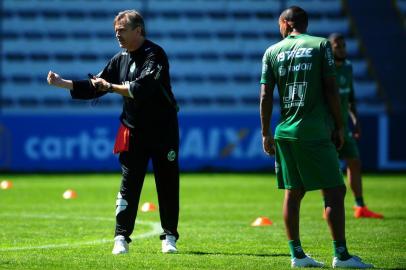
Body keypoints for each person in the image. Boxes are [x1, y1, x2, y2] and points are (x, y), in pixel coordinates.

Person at [47, 10, 180, 255]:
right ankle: (120, 237)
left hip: (163, 131)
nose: (117, 35)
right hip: (133, 132)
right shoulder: (119, 58)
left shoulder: (155, 55)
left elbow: (142, 88)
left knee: (167, 183)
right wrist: (63, 83)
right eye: (115, 31)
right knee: (128, 185)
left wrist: (110, 87)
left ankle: (169, 236)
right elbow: (97, 85)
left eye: (122, 31)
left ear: (138, 30)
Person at [260, 6, 373, 268]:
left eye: (279, 23)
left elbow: (265, 96)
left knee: (293, 193)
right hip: (313, 130)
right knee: (334, 191)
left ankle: (297, 255)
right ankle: (341, 255)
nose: (279, 27)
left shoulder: (271, 51)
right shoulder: (321, 45)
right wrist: (340, 125)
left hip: (284, 132)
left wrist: (265, 132)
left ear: (287, 23)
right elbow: (331, 89)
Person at [329, 33, 383, 219]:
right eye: (338, 46)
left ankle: (360, 206)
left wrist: (355, 121)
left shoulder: (348, 68)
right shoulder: (325, 70)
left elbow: (350, 97)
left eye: (344, 45)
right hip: (328, 127)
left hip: (344, 126)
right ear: (330, 48)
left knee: (354, 162)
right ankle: (326, 205)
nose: (342, 49)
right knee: (331, 168)